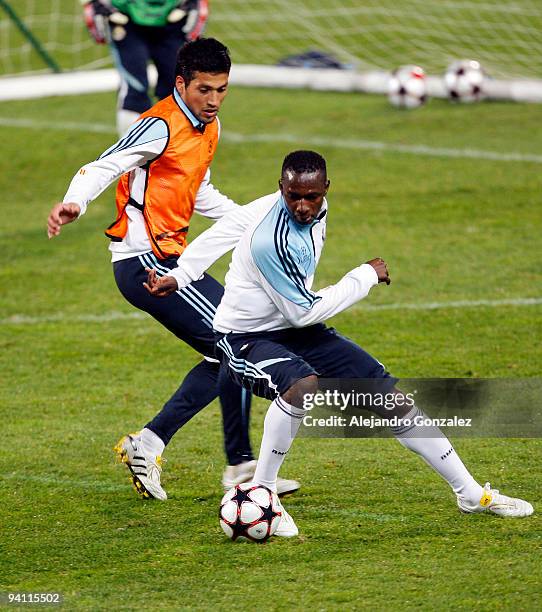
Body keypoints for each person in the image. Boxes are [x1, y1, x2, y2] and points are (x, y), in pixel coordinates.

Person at [145, 149, 534, 535]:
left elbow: (226, 229)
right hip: (245, 335)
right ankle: (263, 493)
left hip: (290, 327)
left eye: (311, 196)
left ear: (326, 189)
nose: (301, 206)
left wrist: (181, 275)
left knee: (390, 398)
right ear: (280, 188)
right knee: (301, 384)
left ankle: (469, 493)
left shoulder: (304, 208)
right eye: (293, 196)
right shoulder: (270, 241)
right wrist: (363, 277)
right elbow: (305, 312)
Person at [46, 38, 300, 502]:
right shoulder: (160, 125)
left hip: (171, 261)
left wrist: (250, 220)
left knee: (224, 353)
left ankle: (153, 443)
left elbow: (196, 192)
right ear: (181, 83)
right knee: (241, 346)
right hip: (143, 262)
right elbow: (102, 165)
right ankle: (242, 469)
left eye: (222, 89)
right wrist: (74, 203)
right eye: (205, 89)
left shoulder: (209, 126)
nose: (214, 100)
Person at [82, 0, 209, 134]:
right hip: (124, 17)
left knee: (178, 90)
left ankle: (176, 150)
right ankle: (132, 151)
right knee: (135, 89)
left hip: (175, 15)